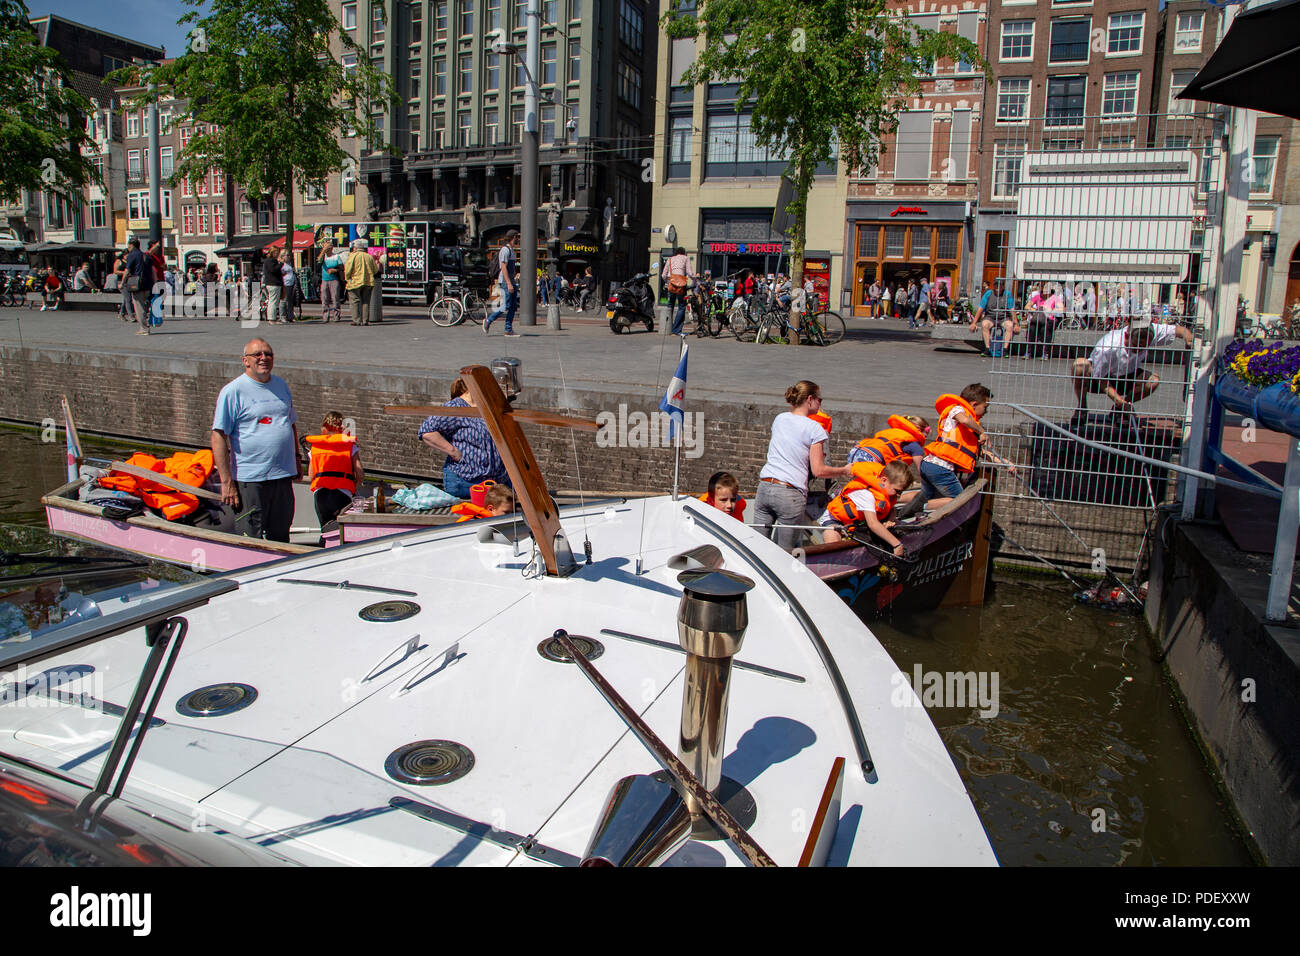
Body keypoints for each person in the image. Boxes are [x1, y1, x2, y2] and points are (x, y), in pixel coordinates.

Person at [211, 338, 300, 542]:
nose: (264, 358)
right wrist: (227, 482)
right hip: (250, 478)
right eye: (257, 354)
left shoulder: (281, 385)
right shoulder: (233, 391)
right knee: (250, 536)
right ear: (246, 361)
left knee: (281, 535)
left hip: (282, 475)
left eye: (268, 354)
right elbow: (218, 436)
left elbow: (290, 424)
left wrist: (296, 457)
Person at [753, 381, 853, 551]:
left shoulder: (780, 419)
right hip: (789, 493)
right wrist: (844, 470)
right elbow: (819, 470)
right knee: (783, 554)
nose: (820, 404)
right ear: (810, 399)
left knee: (756, 549)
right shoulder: (815, 428)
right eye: (819, 400)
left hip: (765, 487)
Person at [1071, 314, 1196, 413]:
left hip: (1127, 376)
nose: (1139, 350)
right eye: (1136, 345)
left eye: (1143, 346)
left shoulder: (1149, 331)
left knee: (1153, 381)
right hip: (1100, 378)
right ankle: (1082, 407)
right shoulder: (1108, 346)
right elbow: (1101, 380)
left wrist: (1189, 339)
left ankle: (1120, 410)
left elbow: (1178, 331)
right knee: (1079, 365)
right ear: (1126, 336)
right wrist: (1119, 401)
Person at [918, 384, 1015, 511]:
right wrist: (981, 431)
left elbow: (982, 453)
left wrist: (1005, 463)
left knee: (926, 495)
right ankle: (919, 508)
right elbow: (964, 420)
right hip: (940, 467)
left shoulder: (970, 427)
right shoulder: (957, 410)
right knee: (961, 500)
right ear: (974, 404)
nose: (986, 411)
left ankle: (905, 507)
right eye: (985, 407)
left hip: (931, 465)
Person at [418, 377, 510, 499]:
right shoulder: (455, 407)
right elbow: (427, 431)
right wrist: (454, 452)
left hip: (497, 481)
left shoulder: (489, 406)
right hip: (466, 481)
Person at [818, 459, 914, 550]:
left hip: (857, 525)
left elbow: (892, 510)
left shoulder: (886, 491)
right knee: (833, 540)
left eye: (901, 492)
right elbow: (873, 524)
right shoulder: (866, 494)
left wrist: (890, 520)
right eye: (897, 491)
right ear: (884, 480)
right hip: (836, 520)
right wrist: (896, 544)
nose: (898, 495)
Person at [305, 411, 364, 529]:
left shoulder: (316, 447)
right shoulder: (349, 445)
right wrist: (354, 487)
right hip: (342, 493)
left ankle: (324, 546)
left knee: (325, 528)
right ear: (341, 427)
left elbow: (311, 476)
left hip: (320, 494)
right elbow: (360, 473)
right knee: (341, 530)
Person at [850, 414, 930, 468]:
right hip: (872, 457)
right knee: (876, 487)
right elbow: (922, 470)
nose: (925, 438)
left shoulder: (895, 432)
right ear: (919, 429)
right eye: (926, 434)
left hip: (857, 450)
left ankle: (839, 491)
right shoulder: (914, 444)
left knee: (859, 482)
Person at [483, 229, 520, 338]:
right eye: (517, 237)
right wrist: (508, 283)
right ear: (513, 237)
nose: (518, 239)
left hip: (510, 281)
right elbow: (503, 267)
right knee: (506, 305)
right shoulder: (505, 250)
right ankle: (488, 320)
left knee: (513, 306)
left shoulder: (511, 251)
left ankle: (508, 330)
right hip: (505, 281)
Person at [344, 238, 380, 326]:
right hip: (368, 282)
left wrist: (347, 278)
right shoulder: (369, 256)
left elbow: (348, 269)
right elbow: (375, 270)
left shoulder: (353, 256)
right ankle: (365, 320)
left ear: (355, 248)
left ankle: (356, 320)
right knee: (366, 301)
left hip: (355, 282)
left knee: (355, 301)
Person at [661, 245, 693, 336]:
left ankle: (667, 327)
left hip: (671, 285)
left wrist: (668, 281)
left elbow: (663, 275)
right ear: (683, 252)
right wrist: (695, 279)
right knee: (681, 306)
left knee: (670, 305)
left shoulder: (670, 259)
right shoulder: (686, 258)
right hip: (681, 286)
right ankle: (676, 330)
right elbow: (690, 273)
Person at [124, 238, 153, 335]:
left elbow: (127, 271)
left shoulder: (132, 255)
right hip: (148, 284)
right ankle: (146, 324)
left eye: (128, 246)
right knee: (144, 306)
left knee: (139, 306)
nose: (128, 248)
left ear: (131, 245)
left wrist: (122, 282)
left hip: (137, 284)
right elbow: (152, 271)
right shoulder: (146, 256)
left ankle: (143, 328)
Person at [452, 483, 516, 521]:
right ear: (491, 509)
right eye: (506, 512)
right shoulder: (477, 523)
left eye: (513, 512)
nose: (511, 516)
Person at [318, 240, 344, 323]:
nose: (327, 250)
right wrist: (323, 252)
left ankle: (336, 315)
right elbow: (318, 263)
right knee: (324, 298)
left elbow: (342, 268)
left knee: (335, 298)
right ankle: (325, 316)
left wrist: (335, 270)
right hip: (324, 280)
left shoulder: (336, 257)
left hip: (334, 279)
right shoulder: (323, 257)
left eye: (328, 248)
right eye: (325, 248)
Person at [261, 248, 285, 325]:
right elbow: (274, 270)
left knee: (272, 301)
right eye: (276, 252)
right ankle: (272, 319)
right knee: (273, 301)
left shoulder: (267, 261)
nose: (278, 254)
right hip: (273, 283)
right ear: (273, 253)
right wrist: (281, 264)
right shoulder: (271, 261)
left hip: (270, 283)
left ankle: (272, 318)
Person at [281, 252, 299, 321]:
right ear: (282, 256)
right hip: (285, 284)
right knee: (284, 301)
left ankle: (290, 317)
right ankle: (283, 316)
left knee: (290, 301)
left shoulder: (290, 263)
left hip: (291, 284)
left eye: (289, 255)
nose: (289, 257)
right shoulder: (281, 264)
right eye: (287, 255)